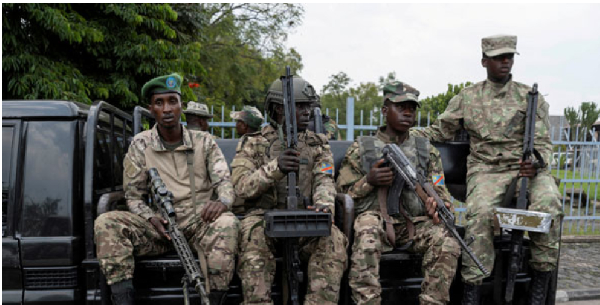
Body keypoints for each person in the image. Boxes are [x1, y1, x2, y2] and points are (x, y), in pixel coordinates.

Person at [411, 35, 562, 305]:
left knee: (549, 205)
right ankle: (472, 289)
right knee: (478, 215)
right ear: (484, 61)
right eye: (499, 57)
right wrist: (402, 134)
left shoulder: (530, 98)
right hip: (487, 169)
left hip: (525, 169)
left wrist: (536, 162)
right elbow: (439, 130)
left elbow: (543, 143)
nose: (506, 62)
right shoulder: (468, 97)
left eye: (510, 57)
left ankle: (540, 285)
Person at [94, 73, 240, 305]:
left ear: (181, 105)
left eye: (173, 101)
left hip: (199, 222)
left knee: (228, 223)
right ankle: (123, 300)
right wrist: (150, 217)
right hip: (161, 229)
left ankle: (214, 298)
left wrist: (221, 202)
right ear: (151, 109)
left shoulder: (204, 141)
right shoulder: (141, 144)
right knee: (107, 222)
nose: (167, 109)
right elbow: (133, 196)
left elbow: (224, 181)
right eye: (159, 103)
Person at [337, 81, 460, 305]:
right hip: (376, 222)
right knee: (367, 231)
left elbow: (440, 190)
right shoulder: (362, 148)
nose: (407, 112)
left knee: (448, 241)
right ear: (385, 111)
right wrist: (369, 181)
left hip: (415, 223)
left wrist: (440, 205)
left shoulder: (426, 150)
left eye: (412, 108)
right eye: (400, 107)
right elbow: (341, 195)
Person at [231, 75, 348, 305]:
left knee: (332, 239)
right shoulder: (252, 143)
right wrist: (276, 168)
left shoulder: (317, 144)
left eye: (309, 106)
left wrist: (324, 208)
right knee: (253, 239)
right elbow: (240, 187)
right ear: (277, 109)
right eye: (299, 106)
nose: (307, 112)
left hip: (305, 219)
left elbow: (325, 180)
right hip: (264, 221)